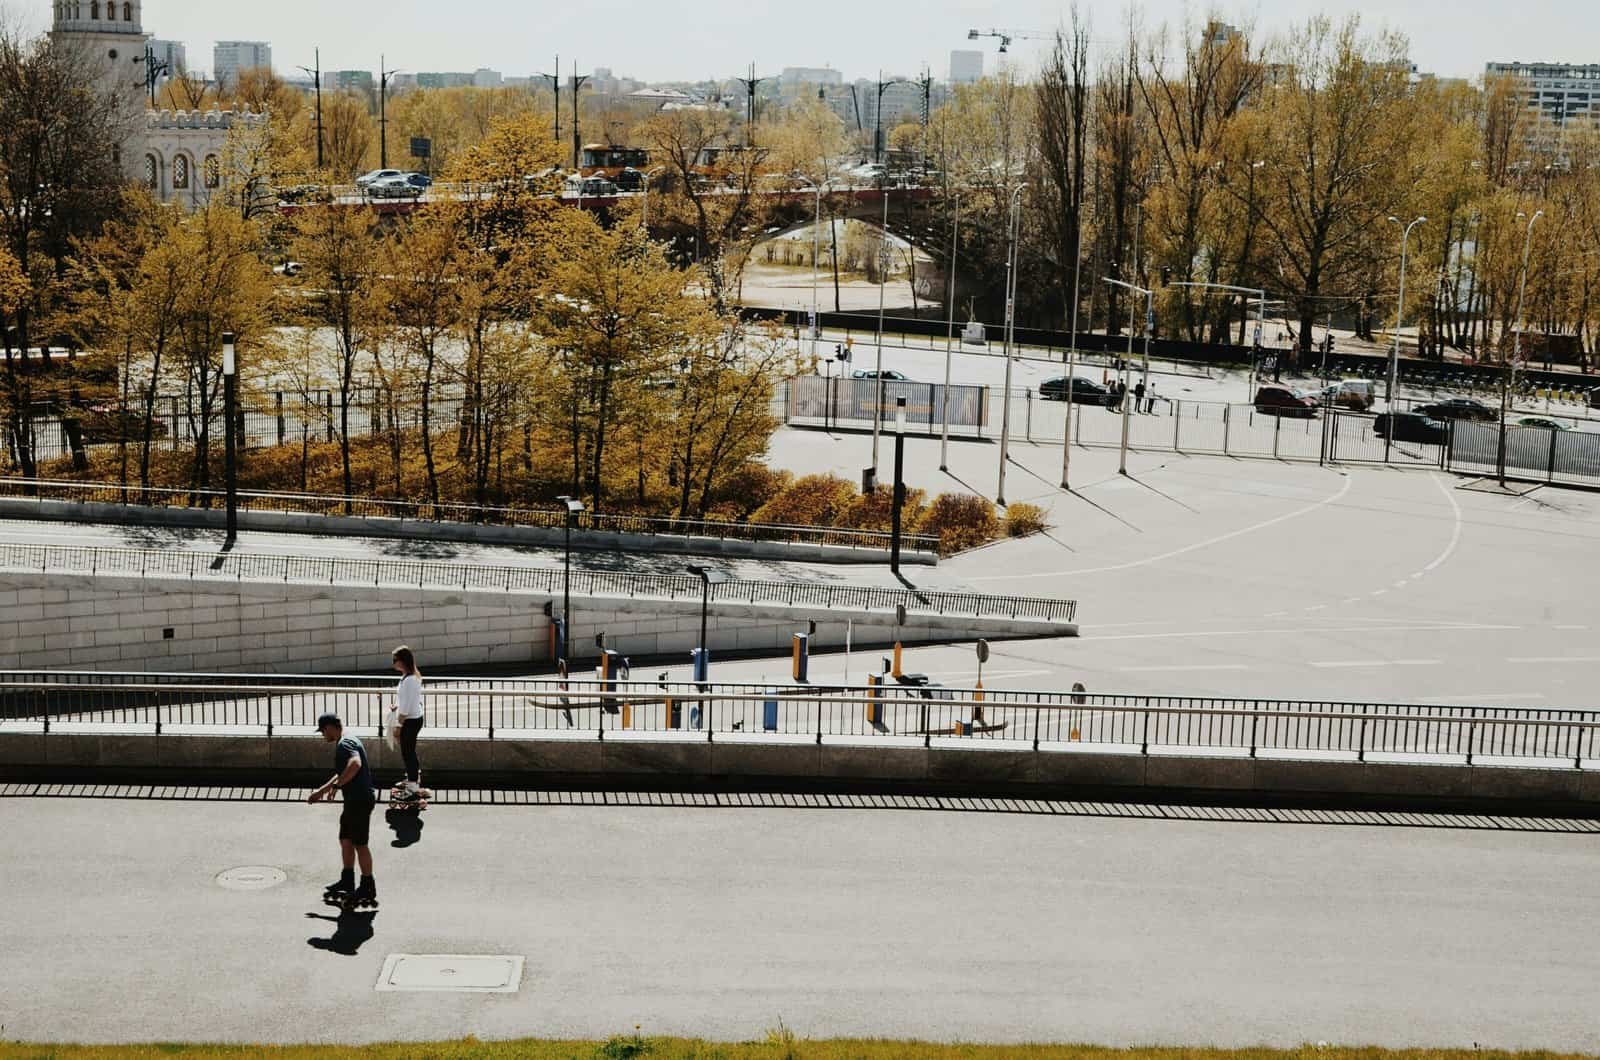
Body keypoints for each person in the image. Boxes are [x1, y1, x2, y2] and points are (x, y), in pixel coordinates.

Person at [309, 713, 377, 908]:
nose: (323, 735)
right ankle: (347, 879)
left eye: (323, 731)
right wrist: (322, 791)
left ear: (330, 727)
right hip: (353, 801)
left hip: (359, 800)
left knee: (360, 844)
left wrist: (338, 787)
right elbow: (342, 772)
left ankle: (367, 886)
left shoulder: (345, 744)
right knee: (345, 839)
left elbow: (355, 764)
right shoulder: (347, 739)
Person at [391, 645, 425, 801]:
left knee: (408, 752)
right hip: (412, 719)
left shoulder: (410, 679)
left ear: (403, 661)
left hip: (409, 721)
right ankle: (413, 780)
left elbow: (406, 707)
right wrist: (396, 706)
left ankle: (412, 786)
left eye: (395, 660)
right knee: (409, 751)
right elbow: (406, 700)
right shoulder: (409, 676)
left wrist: (398, 727)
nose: (393, 663)